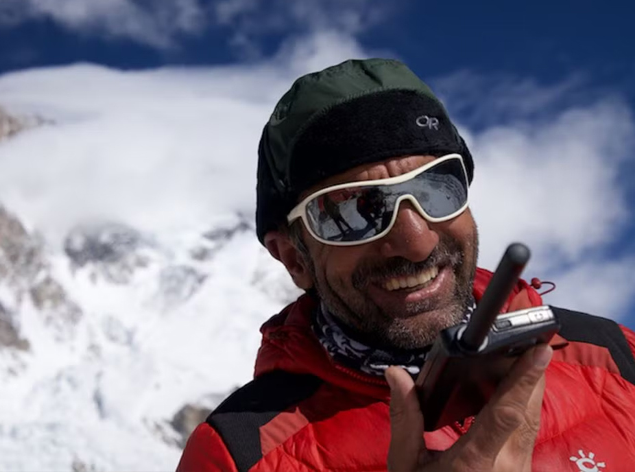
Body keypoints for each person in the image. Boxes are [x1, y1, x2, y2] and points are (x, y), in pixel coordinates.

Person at [177, 58, 635, 472]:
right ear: (295, 259)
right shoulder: (237, 457)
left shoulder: (613, 355)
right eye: (352, 211)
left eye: (436, 188)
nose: (416, 242)